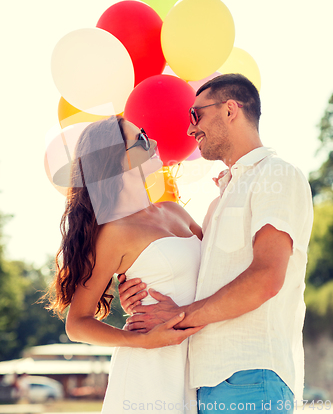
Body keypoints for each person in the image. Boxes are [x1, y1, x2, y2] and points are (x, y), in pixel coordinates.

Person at [119, 74, 314, 413]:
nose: (190, 129)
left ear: (230, 110)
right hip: (207, 383)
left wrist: (178, 315)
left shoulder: (276, 174)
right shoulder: (220, 199)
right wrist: (143, 289)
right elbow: (202, 280)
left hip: (251, 376)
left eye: (196, 115)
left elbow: (266, 278)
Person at [47, 115, 203, 413]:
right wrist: (143, 342)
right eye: (142, 139)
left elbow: (216, 267)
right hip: (147, 374)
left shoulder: (174, 211)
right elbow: (77, 324)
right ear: (117, 160)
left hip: (196, 366)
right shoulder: (113, 234)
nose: (155, 143)